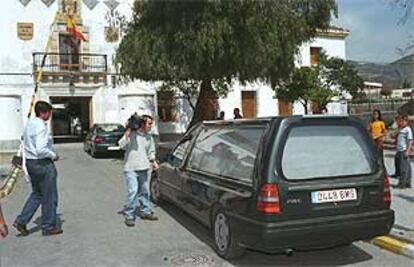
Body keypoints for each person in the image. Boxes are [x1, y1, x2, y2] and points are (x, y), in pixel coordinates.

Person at [14, 101, 62, 236]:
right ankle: (48, 226)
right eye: (49, 113)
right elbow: (41, 149)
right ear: (43, 113)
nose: (50, 115)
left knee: (37, 194)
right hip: (42, 163)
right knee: (50, 196)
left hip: (31, 162)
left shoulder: (29, 123)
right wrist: (53, 155)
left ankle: (22, 220)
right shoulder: (41, 126)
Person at [119, 114, 159, 227]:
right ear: (142, 124)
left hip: (144, 167)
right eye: (149, 124)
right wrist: (127, 133)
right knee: (133, 191)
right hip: (130, 168)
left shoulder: (149, 137)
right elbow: (121, 145)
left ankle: (145, 211)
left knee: (144, 191)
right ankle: (129, 215)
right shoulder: (132, 134)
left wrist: (153, 161)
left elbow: (151, 151)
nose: (151, 126)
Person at [394, 114, 412, 189]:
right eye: (401, 121)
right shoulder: (401, 129)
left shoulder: (407, 129)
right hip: (399, 150)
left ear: (406, 121)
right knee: (406, 166)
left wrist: (408, 150)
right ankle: (407, 182)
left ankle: (402, 183)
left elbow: (410, 141)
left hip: (404, 150)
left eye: (403, 121)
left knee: (403, 168)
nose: (401, 122)